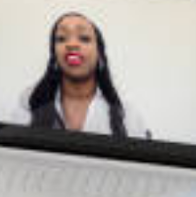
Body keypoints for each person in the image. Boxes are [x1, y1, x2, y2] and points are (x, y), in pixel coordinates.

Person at [11, 12, 150, 138]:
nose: (72, 44)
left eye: (84, 38)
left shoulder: (128, 113)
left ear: (100, 56)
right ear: (54, 57)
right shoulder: (30, 104)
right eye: (61, 38)